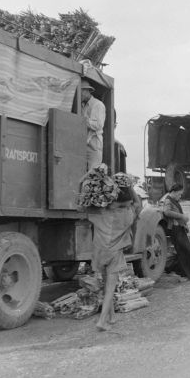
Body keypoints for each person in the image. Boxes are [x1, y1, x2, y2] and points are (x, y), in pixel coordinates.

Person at [87, 178, 141, 331]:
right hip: (115, 252)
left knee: (105, 284)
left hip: (99, 251)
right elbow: (137, 205)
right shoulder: (127, 214)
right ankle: (102, 321)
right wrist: (130, 188)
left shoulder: (100, 212)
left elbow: (83, 208)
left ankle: (111, 317)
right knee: (110, 288)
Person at [162, 183, 190, 280]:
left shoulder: (174, 200)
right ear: (173, 192)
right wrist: (182, 216)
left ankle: (184, 273)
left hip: (180, 228)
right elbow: (166, 212)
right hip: (175, 228)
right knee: (186, 251)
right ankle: (185, 274)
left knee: (185, 252)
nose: (180, 196)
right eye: (179, 194)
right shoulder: (168, 200)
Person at [81, 79, 106, 171]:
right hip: (83, 143)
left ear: (86, 91)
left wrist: (82, 121)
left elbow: (98, 125)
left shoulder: (98, 105)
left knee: (93, 174)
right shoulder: (82, 106)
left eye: (80, 92)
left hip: (94, 144)